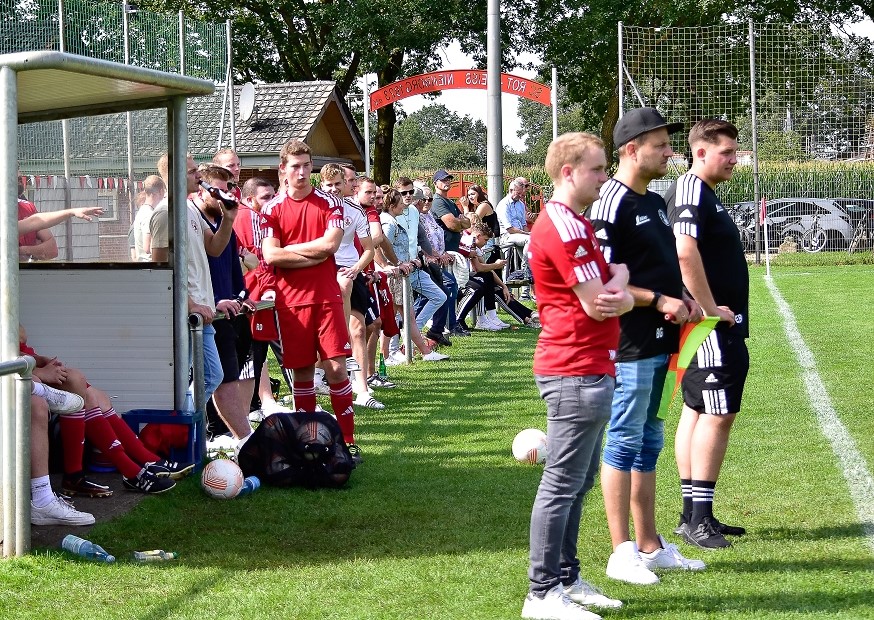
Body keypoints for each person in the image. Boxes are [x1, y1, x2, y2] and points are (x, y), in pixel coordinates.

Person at [588, 107, 705, 585]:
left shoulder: (655, 202)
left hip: (662, 342)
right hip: (628, 344)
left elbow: (662, 268)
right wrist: (659, 300)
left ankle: (650, 544)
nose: (669, 152)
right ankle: (621, 552)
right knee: (623, 438)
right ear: (631, 150)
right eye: (661, 144)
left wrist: (688, 298)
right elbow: (600, 283)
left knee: (649, 440)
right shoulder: (608, 203)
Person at [522, 132, 633, 620]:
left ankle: (564, 579)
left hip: (588, 365)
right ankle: (541, 594)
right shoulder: (563, 226)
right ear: (568, 171)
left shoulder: (573, 222)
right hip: (574, 368)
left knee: (578, 479)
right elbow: (600, 300)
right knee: (562, 484)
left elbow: (611, 287)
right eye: (597, 169)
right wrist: (622, 286)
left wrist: (619, 286)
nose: (604, 177)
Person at [665, 118, 750, 549]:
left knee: (698, 413)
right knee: (716, 416)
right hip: (711, 328)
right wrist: (711, 309)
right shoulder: (691, 190)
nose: (734, 160)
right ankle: (698, 520)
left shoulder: (703, 193)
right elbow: (684, 250)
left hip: (710, 326)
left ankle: (694, 514)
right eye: (727, 153)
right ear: (700, 152)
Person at [260, 140, 362, 461]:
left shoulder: (329, 201)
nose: (303, 173)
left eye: (306, 165)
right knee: (302, 374)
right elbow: (269, 254)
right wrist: (311, 252)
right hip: (290, 303)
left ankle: (347, 441)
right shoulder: (271, 209)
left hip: (326, 298)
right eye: (295, 166)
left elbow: (330, 247)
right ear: (283, 171)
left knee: (336, 370)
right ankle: (307, 442)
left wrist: (292, 253)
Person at [21, 326, 186, 495]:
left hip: (27, 365)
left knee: (98, 396)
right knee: (85, 393)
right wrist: (39, 370)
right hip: (20, 373)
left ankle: (141, 463)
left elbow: (19, 340)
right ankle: (131, 470)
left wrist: (40, 360)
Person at [151, 153, 224, 407]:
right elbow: (160, 268)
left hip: (201, 310)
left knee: (210, 376)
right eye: (192, 171)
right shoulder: (165, 214)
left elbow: (214, 248)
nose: (199, 176)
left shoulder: (190, 207)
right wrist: (191, 304)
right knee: (186, 382)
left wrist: (230, 217)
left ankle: (188, 436)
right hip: (185, 313)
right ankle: (182, 435)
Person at [193, 164, 259, 445]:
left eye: (228, 190)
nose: (225, 197)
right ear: (202, 189)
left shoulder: (224, 225)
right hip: (200, 316)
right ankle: (211, 437)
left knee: (227, 376)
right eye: (218, 191)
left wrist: (240, 298)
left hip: (223, 315)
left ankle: (241, 438)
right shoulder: (190, 220)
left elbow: (235, 274)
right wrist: (213, 301)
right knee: (212, 379)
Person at [319, 163, 383, 410]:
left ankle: (362, 389)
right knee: (323, 329)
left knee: (358, 330)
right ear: (322, 186)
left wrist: (357, 268)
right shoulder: (315, 207)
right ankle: (315, 379)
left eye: (339, 184)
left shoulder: (355, 210)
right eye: (329, 185)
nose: (334, 189)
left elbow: (369, 248)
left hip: (348, 270)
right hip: (322, 272)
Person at [378, 188, 449, 364]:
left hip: (401, 273)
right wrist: (396, 265)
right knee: (401, 316)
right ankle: (394, 354)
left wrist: (409, 260)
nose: (404, 205)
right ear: (393, 205)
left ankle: (389, 354)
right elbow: (380, 248)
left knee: (397, 316)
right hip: (395, 276)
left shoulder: (392, 220)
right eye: (401, 203)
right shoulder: (389, 223)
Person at [455, 222, 510, 332]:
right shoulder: (468, 241)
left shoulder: (473, 243)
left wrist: (503, 285)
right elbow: (479, 268)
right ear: (478, 236)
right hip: (458, 276)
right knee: (478, 286)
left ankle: (489, 316)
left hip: (464, 274)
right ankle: (459, 320)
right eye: (485, 240)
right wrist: (496, 265)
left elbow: (484, 268)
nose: (486, 244)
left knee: (486, 276)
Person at [496, 176, 533, 298]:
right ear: (511, 190)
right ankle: (523, 269)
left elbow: (523, 225)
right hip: (507, 236)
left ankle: (525, 294)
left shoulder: (520, 205)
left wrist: (528, 233)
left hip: (520, 236)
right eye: (518, 194)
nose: (520, 196)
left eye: (521, 194)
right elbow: (510, 229)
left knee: (531, 253)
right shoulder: (503, 205)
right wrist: (527, 235)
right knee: (530, 239)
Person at [133, 174, 165, 261]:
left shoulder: (143, 211)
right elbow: (147, 247)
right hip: (149, 266)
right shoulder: (149, 214)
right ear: (161, 191)